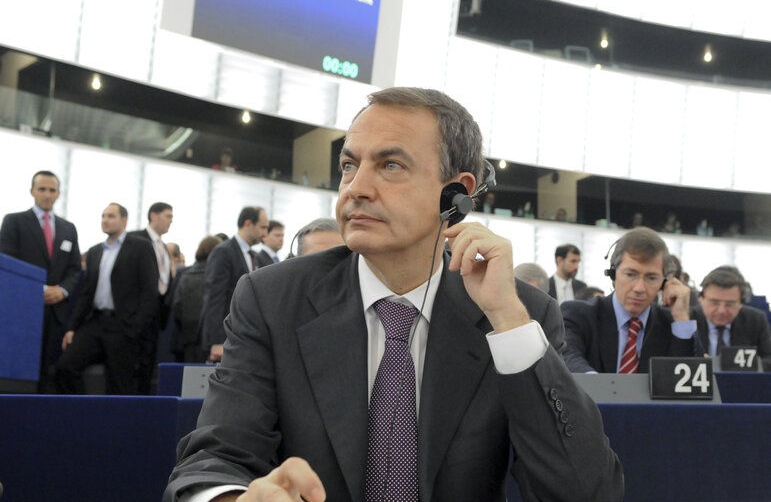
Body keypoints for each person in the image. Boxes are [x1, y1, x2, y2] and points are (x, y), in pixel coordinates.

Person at [166, 87, 622, 502]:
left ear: (456, 195)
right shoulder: (271, 299)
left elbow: (586, 492)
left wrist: (509, 323)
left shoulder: (520, 314)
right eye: (349, 165)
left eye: (390, 165)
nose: (356, 189)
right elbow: (213, 459)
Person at [562, 227, 699, 373]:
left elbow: (690, 381)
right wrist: (598, 385)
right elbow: (568, 357)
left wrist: (682, 319)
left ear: (664, 283)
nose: (639, 288)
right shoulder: (579, 315)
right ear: (613, 275)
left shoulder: (672, 324)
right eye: (631, 274)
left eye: (651, 278)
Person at [53, 203, 158, 394]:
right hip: (96, 322)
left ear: (124, 220)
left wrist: (135, 327)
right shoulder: (95, 252)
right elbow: (85, 294)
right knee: (65, 366)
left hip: (124, 325)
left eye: (110, 216)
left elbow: (149, 292)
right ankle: (84, 413)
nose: (105, 220)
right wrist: (72, 327)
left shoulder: (140, 247)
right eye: (103, 216)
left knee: (119, 383)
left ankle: (116, 422)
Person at [0, 170, 81, 392]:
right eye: (42, 189)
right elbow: (7, 263)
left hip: (57, 312)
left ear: (58, 194)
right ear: (32, 191)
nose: (47, 194)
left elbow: (74, 269)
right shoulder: (14, 221)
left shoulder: (68, 228)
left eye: (52, 190)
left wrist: (62, 290)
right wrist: (40, 289)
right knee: (20, 372)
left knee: (49, 372)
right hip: (23, 311)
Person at [200, 206, 269, 362]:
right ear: (248, 224)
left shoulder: (256, 257)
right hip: (225, 336)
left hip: (245, 335)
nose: (265, 233)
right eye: (262, 227)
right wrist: (216, 341)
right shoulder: (223, 252)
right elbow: (214, 297)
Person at [128, 202, 174, 394]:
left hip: (156, 314)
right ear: (153, 216)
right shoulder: (133, 239)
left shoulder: (163, 246)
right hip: (134, 314)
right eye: (168, 216)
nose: (171, 221)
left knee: (148, 366)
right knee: (131, 367)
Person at [692, 266, 771, 371]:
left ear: (741, 303)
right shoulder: (687, 319)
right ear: (701, 299)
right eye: (714, 302)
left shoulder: (756, 320)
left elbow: (769, 360)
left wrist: (728, 364)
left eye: (729, 304)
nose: (721, 311)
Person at [171, 235, 223, 363]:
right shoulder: (220, 277)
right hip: (213, 342)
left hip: (187, 339)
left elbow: (177, 307)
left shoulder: (185, 275)